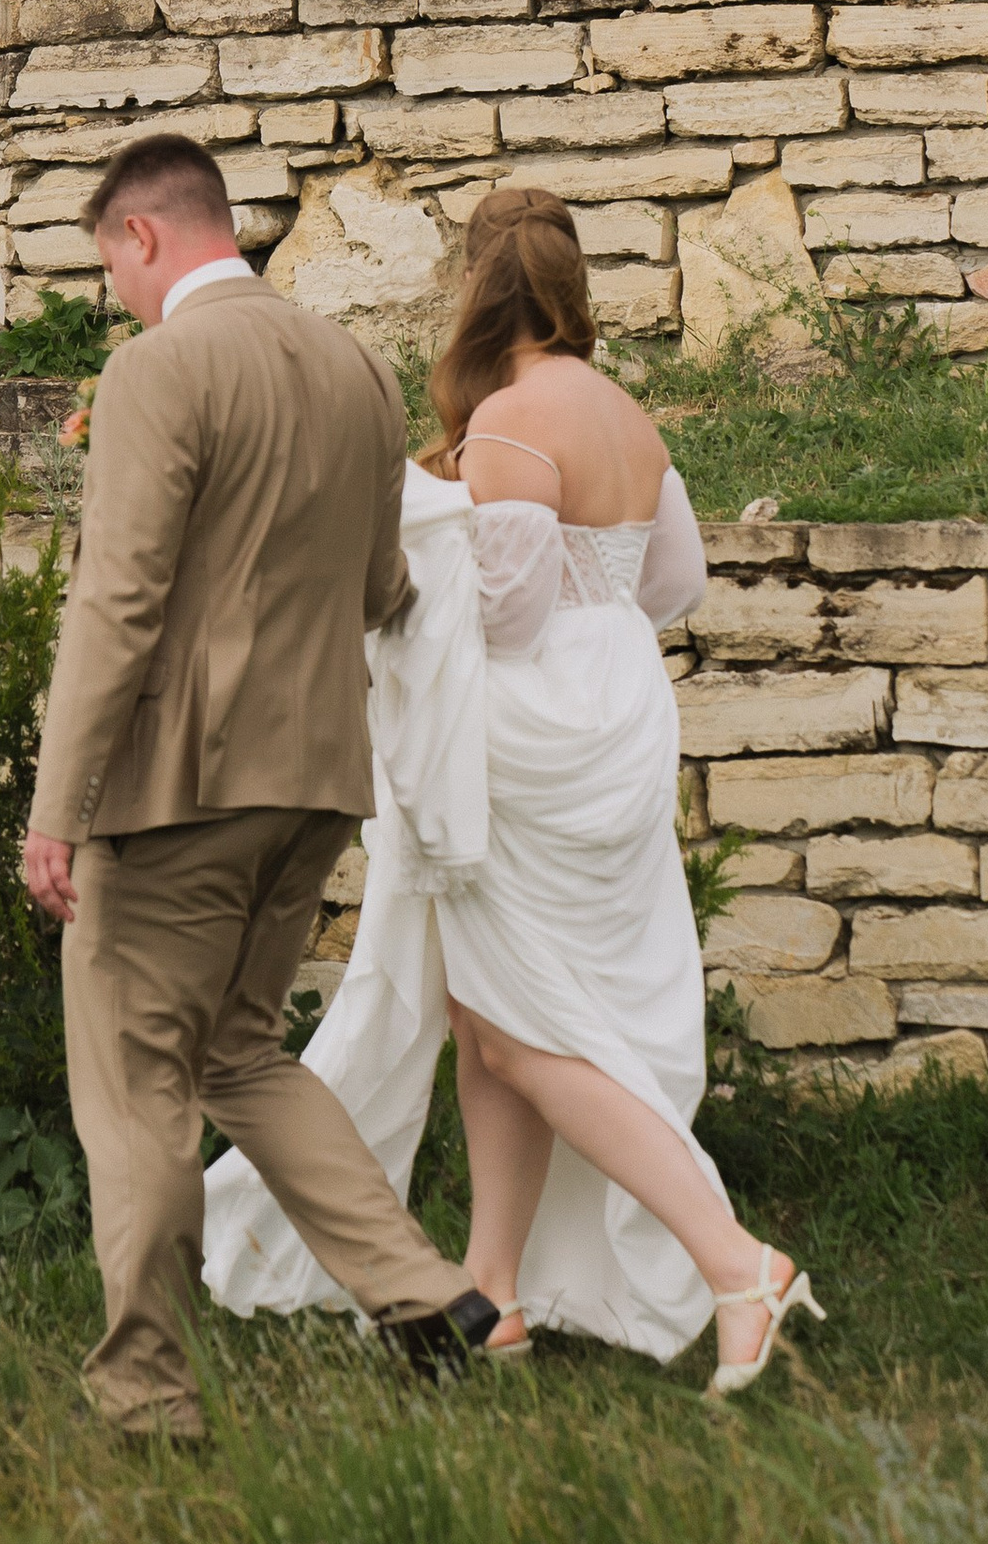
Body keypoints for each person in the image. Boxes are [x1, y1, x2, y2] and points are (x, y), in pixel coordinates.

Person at [205, 183, 821, 1398]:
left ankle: (736, 1262)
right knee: (498, 1019)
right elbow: (675, 582)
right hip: (622, 711)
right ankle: (498, 1295)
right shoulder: (627, 415)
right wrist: (596, 622)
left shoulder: (507, 422)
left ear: (478, 294)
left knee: (516, 1027)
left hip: (526, 734)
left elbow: (504, 613)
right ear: (571, 289)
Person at [21, 132, 496, 1441]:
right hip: (318, 782)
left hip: (175, 789)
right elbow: (382, 590)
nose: (115, 288)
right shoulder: (355, 370)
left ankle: (147, 1392)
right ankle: (426, 1292)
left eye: (108, 261)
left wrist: (57, 805)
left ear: (142, 237)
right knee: (238, 1051)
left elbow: (117, 601)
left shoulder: (157, 371)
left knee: (136, 1089)